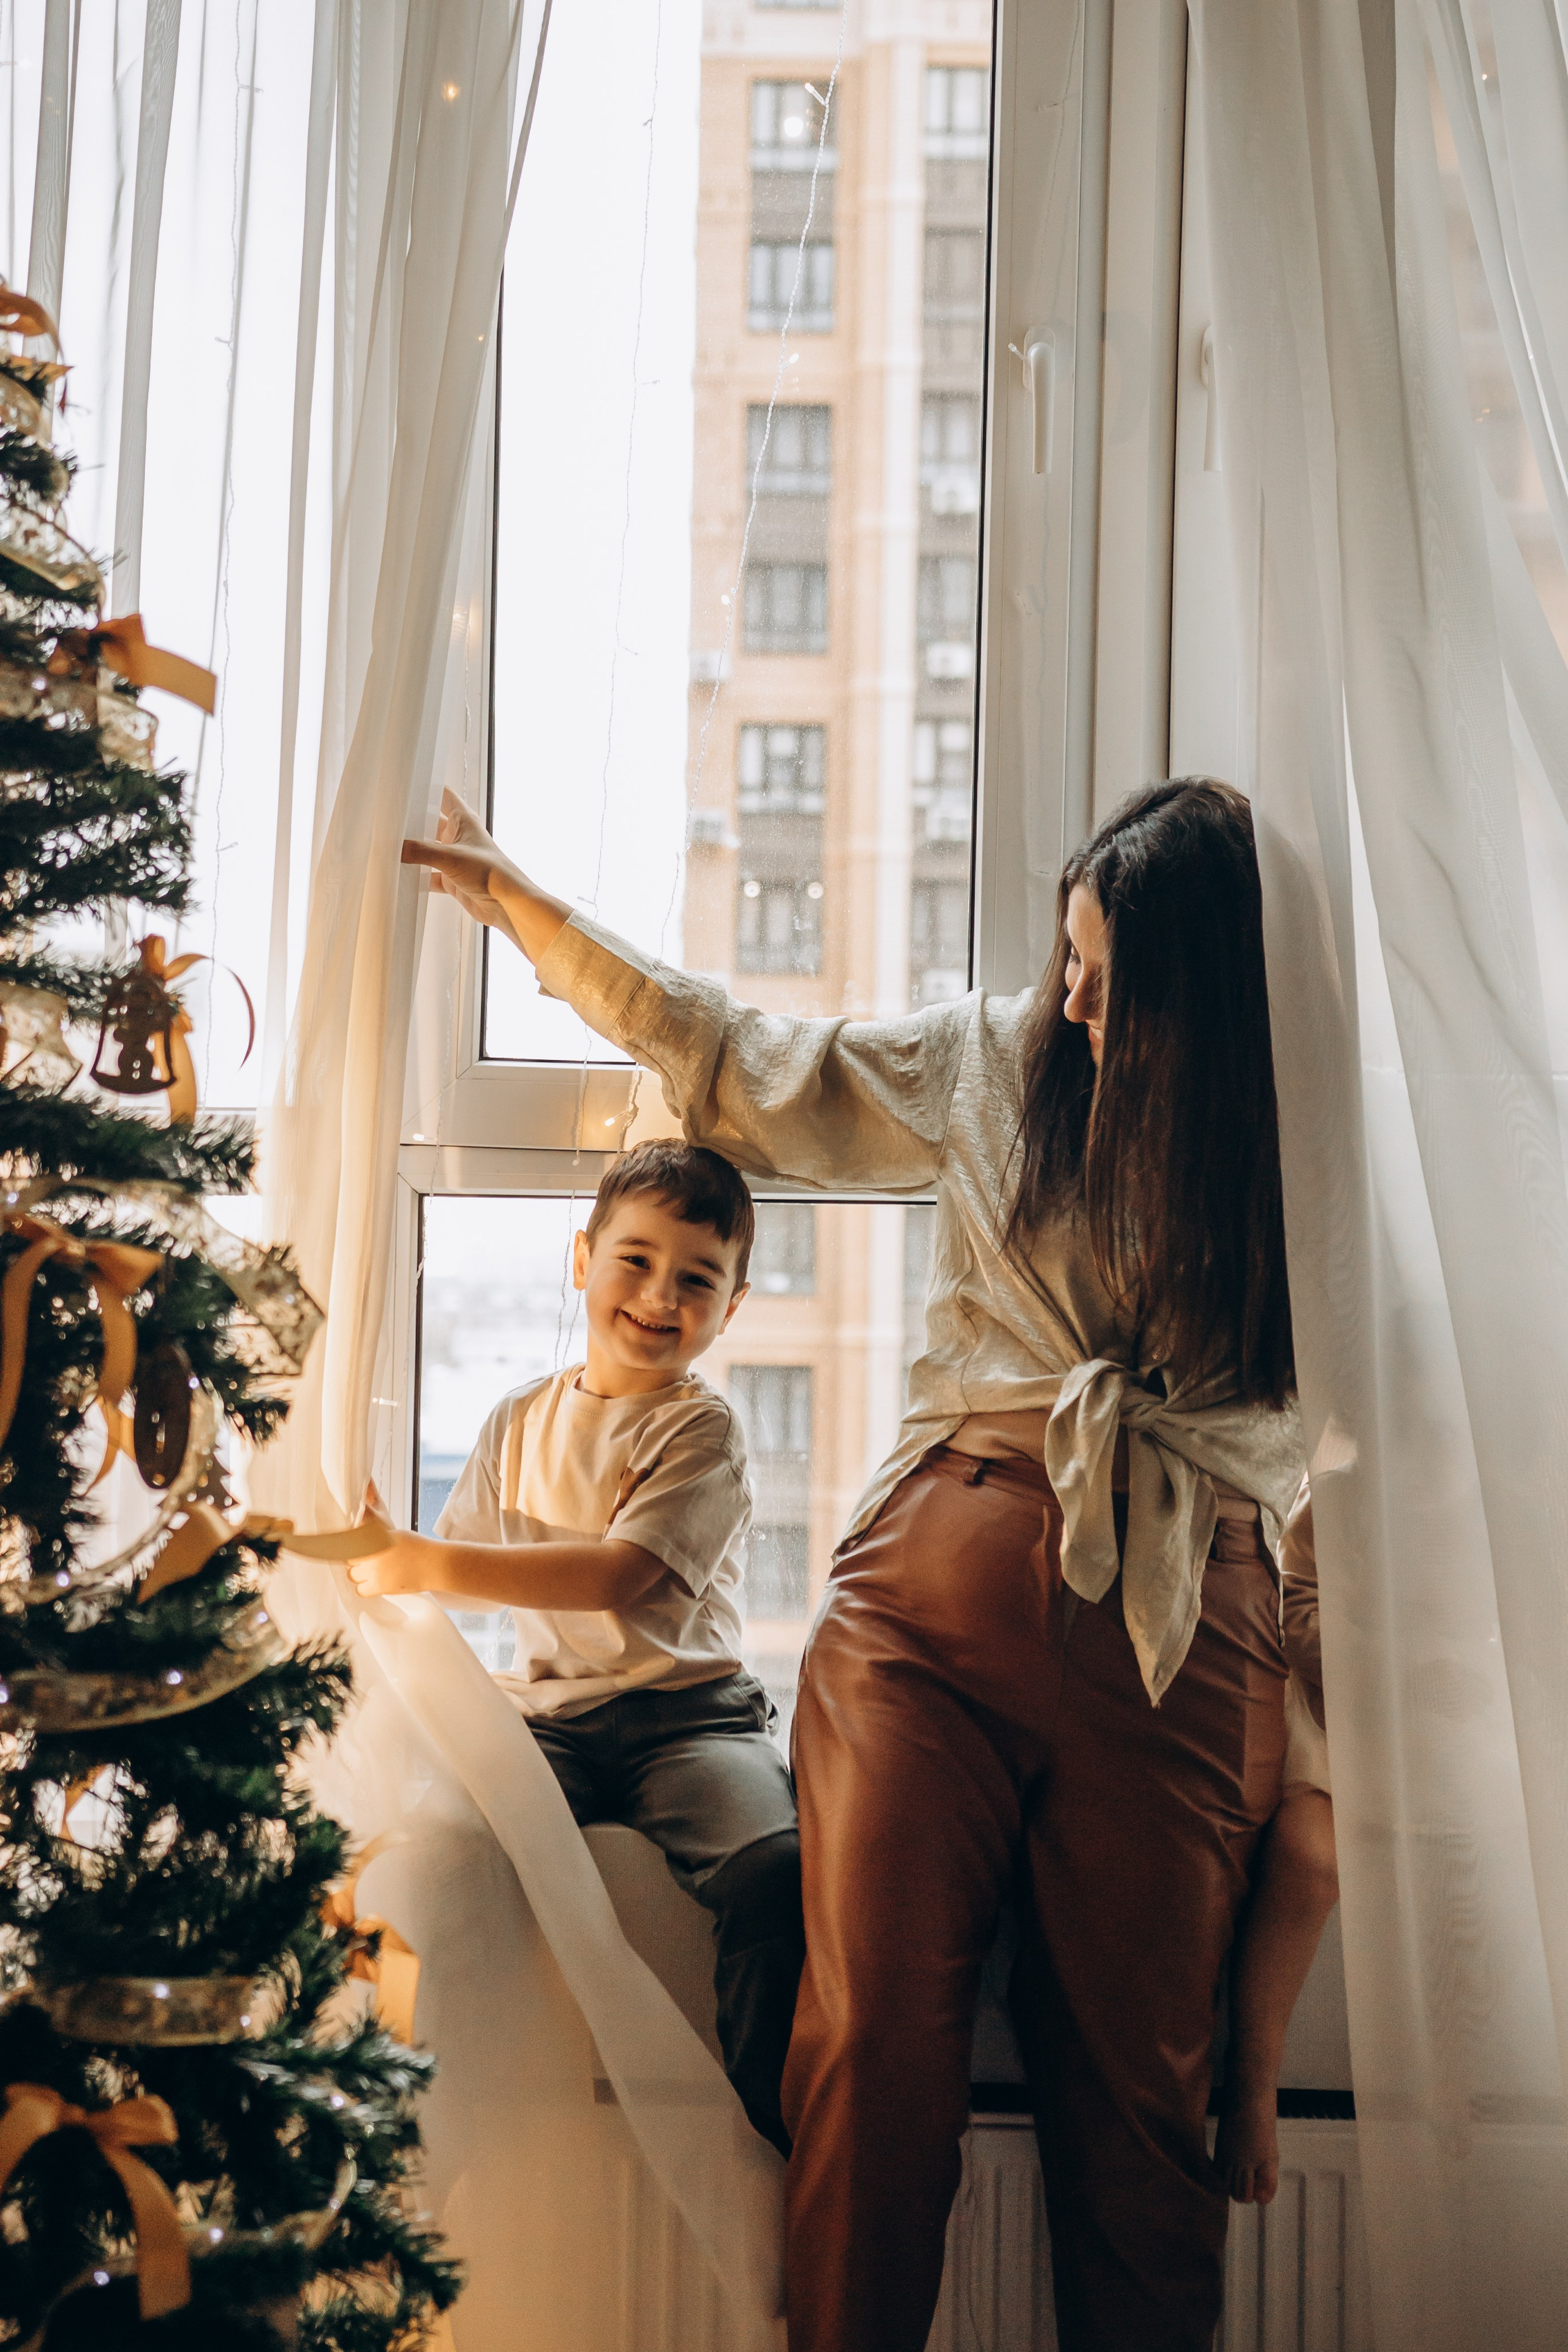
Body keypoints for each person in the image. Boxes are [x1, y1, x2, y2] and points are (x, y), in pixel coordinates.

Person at [402, 777, 1307, 2352]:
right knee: (867, 2050)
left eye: (1104, 973)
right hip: (926, 1615)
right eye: (1064, 954)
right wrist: (523, 908)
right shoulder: (990, 1056)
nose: (1069, 996)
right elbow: (741, 1058)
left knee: (1141, 2102)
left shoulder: (1291, 1131)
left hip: (1174, 1627)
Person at [348, 1140, 805, 2158]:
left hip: (688, 1723)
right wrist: (384, 1563)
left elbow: (614, 1575)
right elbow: (458, 1567)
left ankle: (773, 2130)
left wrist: (420, 1561)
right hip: (549, 1721)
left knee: (775, 1868)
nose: (658, 1296)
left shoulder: (702, 1431)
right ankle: (421, 2129)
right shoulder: (519, 1419)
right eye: (635, 1262)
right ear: (581, 1261)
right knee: (442, 1857)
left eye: (697, 1280)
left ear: (729, 1311)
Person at [1215, 1478, 1340, 2206]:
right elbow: (1298, 1607)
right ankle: (1253, 2082)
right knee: (1308, 1858)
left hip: (1445, 1738)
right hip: (1336, 1719)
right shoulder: (1344, 1477)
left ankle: (1452, 2090)